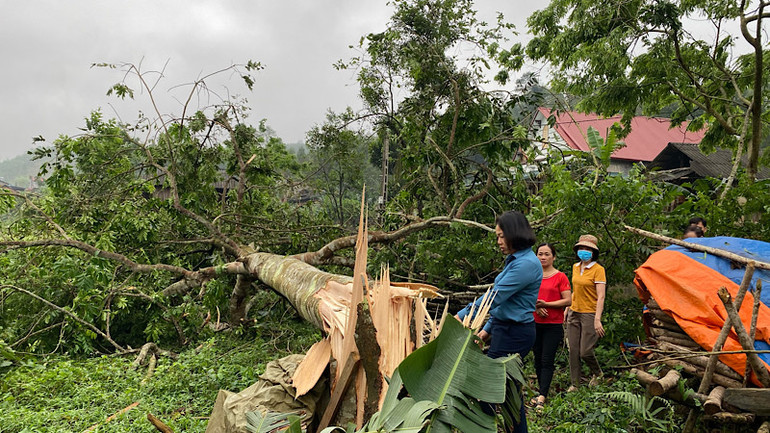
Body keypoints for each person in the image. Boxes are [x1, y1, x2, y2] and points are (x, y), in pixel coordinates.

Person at [456, 211, 542, 433]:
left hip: (515, 334)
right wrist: (486, 330)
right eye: (497, 237)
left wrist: (461, 315)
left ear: (514, 233)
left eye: (501, 236)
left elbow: (495, 297)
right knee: (509, 393)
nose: (499, 242)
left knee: (489, 389)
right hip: (505, 330)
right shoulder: (515, 261)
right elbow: (503, 306)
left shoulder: (526, 264)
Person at [531, 243, 572, 410]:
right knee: (537, 359)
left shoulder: (560, 277)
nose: (543, 257)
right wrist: (536, 306)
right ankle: (542, 390)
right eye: (540, 254)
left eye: (547, 254)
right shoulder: (532, 275)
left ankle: (542, 396)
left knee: (547, 360)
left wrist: (546, 304)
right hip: (533, 323)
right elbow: (525, 295)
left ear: (553, 257)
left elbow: (568, 300)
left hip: (553, 325)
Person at [566, 234, 606, 392]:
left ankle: (598, 373)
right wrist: (567, 308)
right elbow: (575, 290)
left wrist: (597, 319)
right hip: (574, 311)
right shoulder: (576, 267)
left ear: (594, 252)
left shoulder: (598, 270)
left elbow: (601, 296)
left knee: (585, 351)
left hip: (589, 313)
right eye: (581, 248)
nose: (584, 251)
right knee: (573, 350)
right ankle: (575, 384)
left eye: (588, 249)